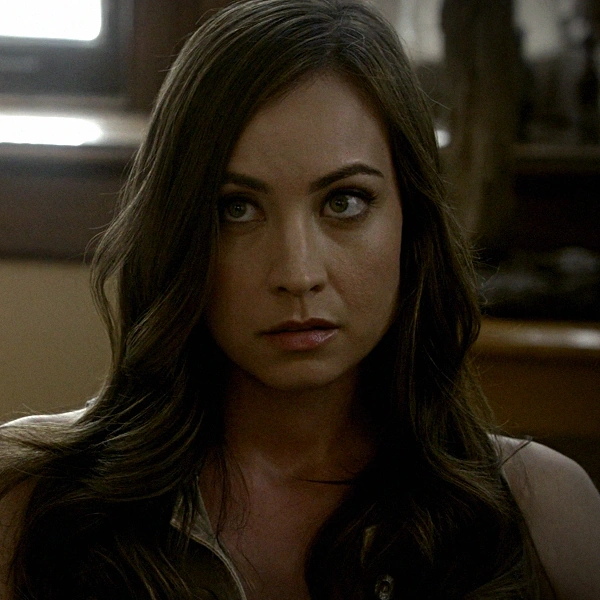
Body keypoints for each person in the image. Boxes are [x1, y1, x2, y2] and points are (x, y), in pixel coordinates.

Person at [1, 1, 599, 598]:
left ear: (411, 219)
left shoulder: (541, 511)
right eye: (237, 209)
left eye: (344, 202)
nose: (297, 273)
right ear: (177, 231)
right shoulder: (29, 499)